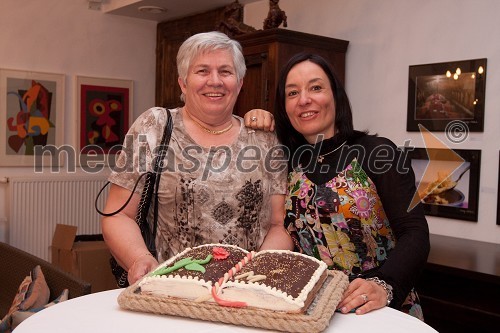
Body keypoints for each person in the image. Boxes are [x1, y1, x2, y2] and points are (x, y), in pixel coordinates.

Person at [244, 53, 430, 320]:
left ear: (335, 96)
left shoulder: (376, 152)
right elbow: (282, 228)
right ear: (284, 106)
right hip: (318, 311)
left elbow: (415, 232)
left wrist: (383, 285)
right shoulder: (287, 162)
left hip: (380, 307)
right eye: (292, 92)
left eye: (316, 88)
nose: (304, 99)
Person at [101, 31, 292, 286]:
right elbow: (117, 215)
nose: (215, 81)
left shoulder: (264, 139)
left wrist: (253, 276)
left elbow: (279, 224)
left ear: (240, 82)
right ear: (183, 83)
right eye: (202, 71)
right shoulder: (154, 126)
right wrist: (138, 259)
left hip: (245, 294)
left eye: (225, 71)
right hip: (170, 290)